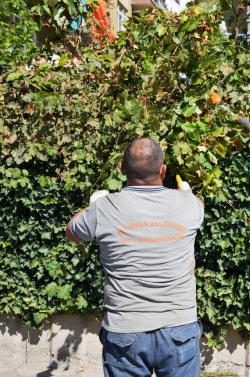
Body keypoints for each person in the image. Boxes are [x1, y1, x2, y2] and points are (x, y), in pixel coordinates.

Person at [66, 138, 205, 377]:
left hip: (124, 331)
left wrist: (94, 205)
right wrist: (188, 192)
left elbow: (71, 232)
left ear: (122, 168)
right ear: (163, 170)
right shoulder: (190, 205)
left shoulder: (103, 209)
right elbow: (199, 205)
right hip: (179, 329)